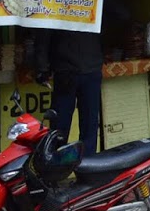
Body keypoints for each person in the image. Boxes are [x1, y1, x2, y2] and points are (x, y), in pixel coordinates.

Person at [31, 27, 104, 155]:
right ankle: (87, 167)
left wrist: (41, 68)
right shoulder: (96, 7)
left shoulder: (57, 7)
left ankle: (57, 165)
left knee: (60, 126)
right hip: (88, 67)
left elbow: (44, 34)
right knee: (89, 126)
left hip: (66, 69)